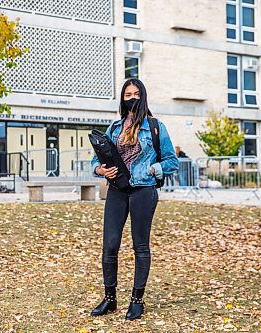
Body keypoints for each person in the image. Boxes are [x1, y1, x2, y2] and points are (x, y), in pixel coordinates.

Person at [90, 78, 178, 320]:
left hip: (143, 191)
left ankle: (137, 300)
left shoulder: (156, 126)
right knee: (110, 245)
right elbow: (95, 159)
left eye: (135, 93)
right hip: (117, 190)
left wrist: (151, 170)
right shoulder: (115, 128)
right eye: (127, 94)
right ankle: (110, 299)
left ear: (143, 96)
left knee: (140, 246)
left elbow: (172, 161)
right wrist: (100, 170)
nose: (131, 98)